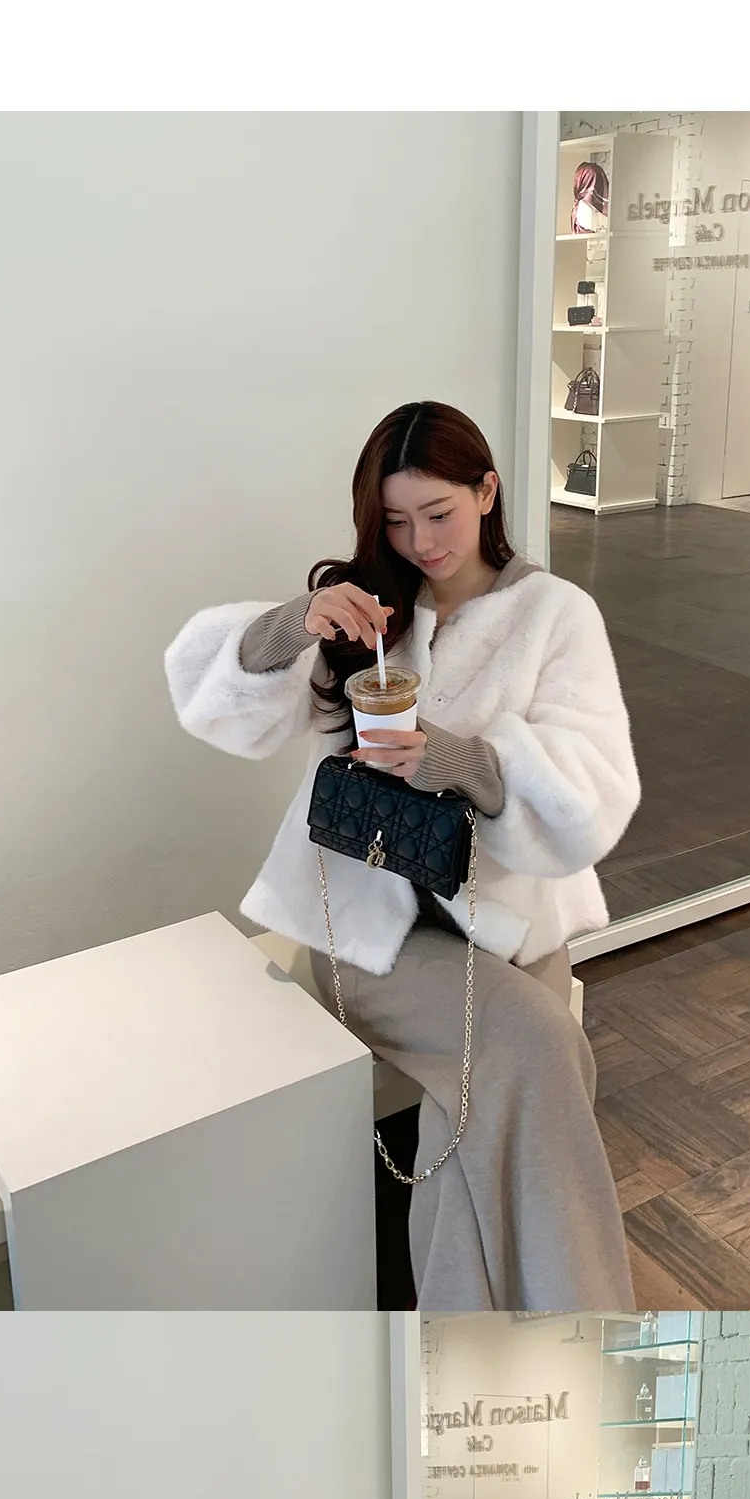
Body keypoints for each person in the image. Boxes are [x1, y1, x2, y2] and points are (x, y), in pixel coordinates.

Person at [164, 397, 638, 1313]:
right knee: (543, 1048)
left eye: (439, 513)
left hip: (509, 926)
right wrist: (298, 620)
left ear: (487, 491)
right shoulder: (369, 606)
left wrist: (452, 760)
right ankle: (585, 1327)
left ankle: (468, 1345)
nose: (420, 541)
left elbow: (592, 789)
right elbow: (214, 698)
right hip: (371, 932)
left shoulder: (555, 614)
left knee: (488, 1103)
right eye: (395, 520)